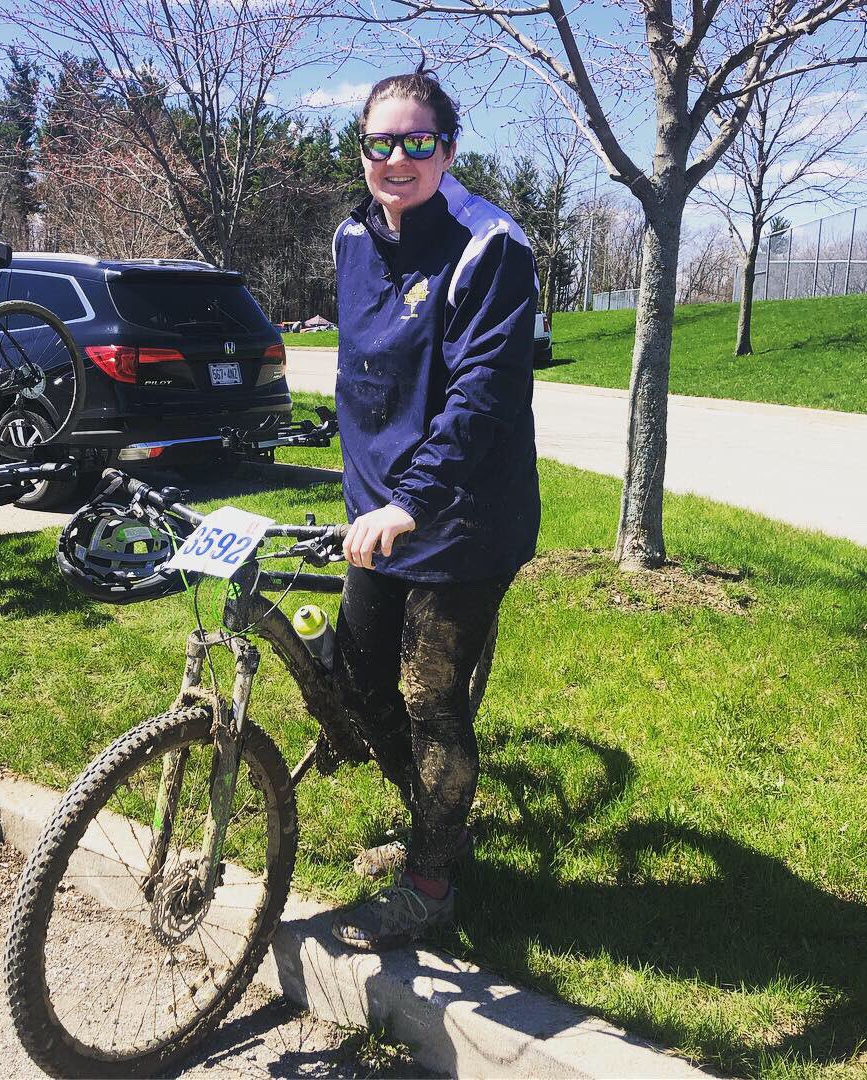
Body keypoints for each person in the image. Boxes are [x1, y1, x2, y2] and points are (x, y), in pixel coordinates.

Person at [329, 70, 540, 951]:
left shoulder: (490, 246)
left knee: (429, 701)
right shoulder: (351, 236)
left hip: (463, 518)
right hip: (379, 517)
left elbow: (482, 397)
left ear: (448, 149)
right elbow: (366, 374)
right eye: (380, 143)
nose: (398, 159)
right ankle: (434, 822)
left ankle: (431, 882)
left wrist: (410, 502)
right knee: (354, 683)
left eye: (418, 142)